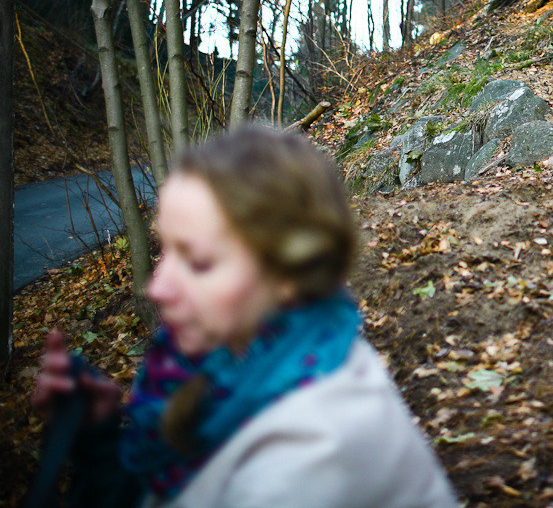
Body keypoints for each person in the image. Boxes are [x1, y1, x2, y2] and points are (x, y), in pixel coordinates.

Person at [32, 124, 458, 508]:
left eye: (198, 261)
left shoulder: (301, 467)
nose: (157, 288)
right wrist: (97, 437)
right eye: (166, 249)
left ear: (287, 274)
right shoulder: (245, 357)